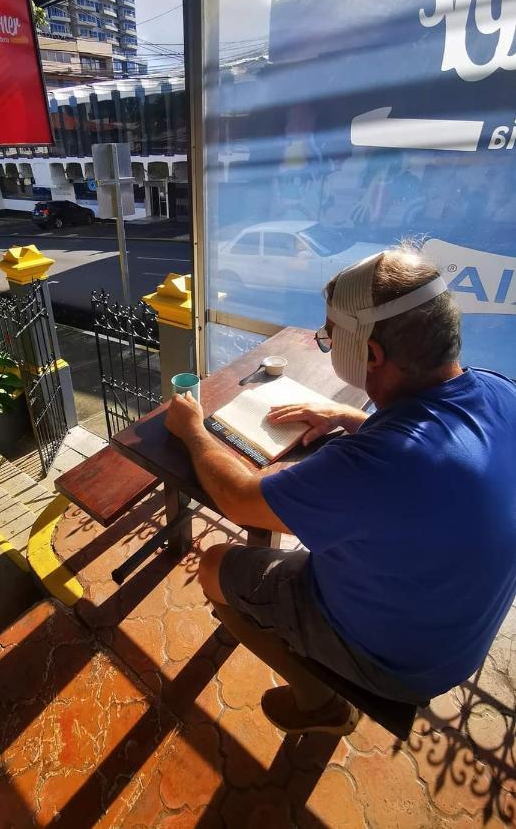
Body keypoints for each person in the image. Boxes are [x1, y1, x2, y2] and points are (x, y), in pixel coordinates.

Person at [164, 244, 516, 736]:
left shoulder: (379, 464)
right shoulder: (503, 392)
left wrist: (193, 430)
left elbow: (239, 499)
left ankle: (318, 702)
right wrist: (350, 418)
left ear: (372, 353)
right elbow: (434, 453)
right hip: (455, 637)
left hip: (396, 663)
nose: (327, 342)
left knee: (214, 566)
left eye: (331, 336)